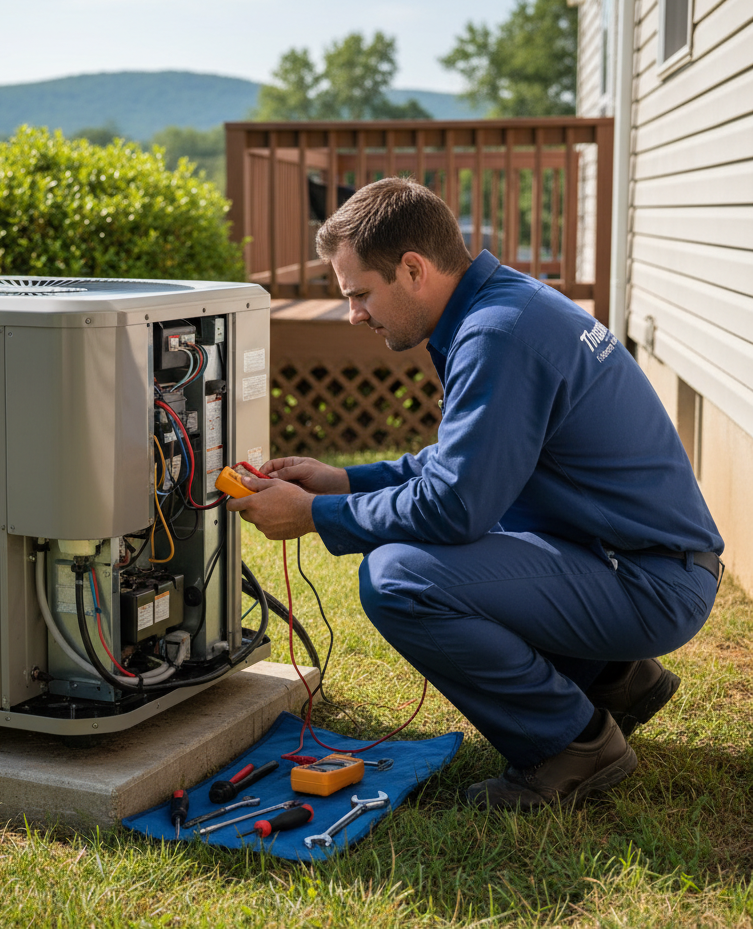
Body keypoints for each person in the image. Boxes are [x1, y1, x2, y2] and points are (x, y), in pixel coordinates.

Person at [227, 177, 723, 810]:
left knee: (400, 578)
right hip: (636, 558)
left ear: (413, 269)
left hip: (649, 580)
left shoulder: (497, 335)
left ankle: (572, 745)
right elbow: (469, 463)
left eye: (360, 293)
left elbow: (456, 506)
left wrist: (317, 514)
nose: (355, 314)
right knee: (438, 554)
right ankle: (612, 677)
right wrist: (347, 480)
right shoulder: (505, 306)